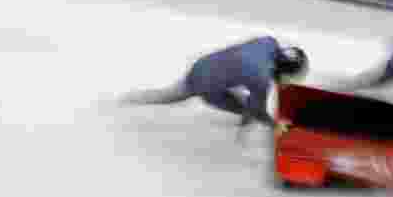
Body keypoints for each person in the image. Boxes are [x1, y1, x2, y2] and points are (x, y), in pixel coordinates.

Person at [121, 36, 309, 135]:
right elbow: (259, 111)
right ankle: (132, 100)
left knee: (247, 100)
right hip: (205, 85)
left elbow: (248, 64)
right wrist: (276, 126)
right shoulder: (261, 78)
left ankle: (132, 98)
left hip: (204, 64)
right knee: (171, 96)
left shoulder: (268, 41)